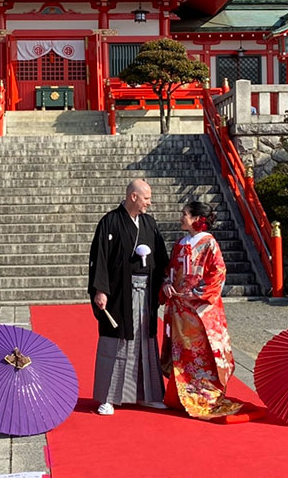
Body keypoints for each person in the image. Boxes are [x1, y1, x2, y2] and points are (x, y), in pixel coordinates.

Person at [88, 179, 169, 416]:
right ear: (133, 196)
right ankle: (108, 397)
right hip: (120, 293)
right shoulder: (110, 222)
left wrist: (166, 280)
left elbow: (161, 257)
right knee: (118, 341)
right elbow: (99, 258)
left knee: (145, 338)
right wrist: (100, 290)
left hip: (146, 292)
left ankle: (149, 395)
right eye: (146, 199)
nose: (149, 203)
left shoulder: (149, 223)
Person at [159, 200, 242, 419]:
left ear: (197, 218)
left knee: (201, 353)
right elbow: (171, 270)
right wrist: (167, 283)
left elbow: (218, 273)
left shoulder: (209, 243)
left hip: (199, 310)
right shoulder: (180, 243)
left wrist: (196, 294)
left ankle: (203, 397)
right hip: (179, 308)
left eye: (185, 214)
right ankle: (181, 397)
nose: (181, 217)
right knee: (182, 354)